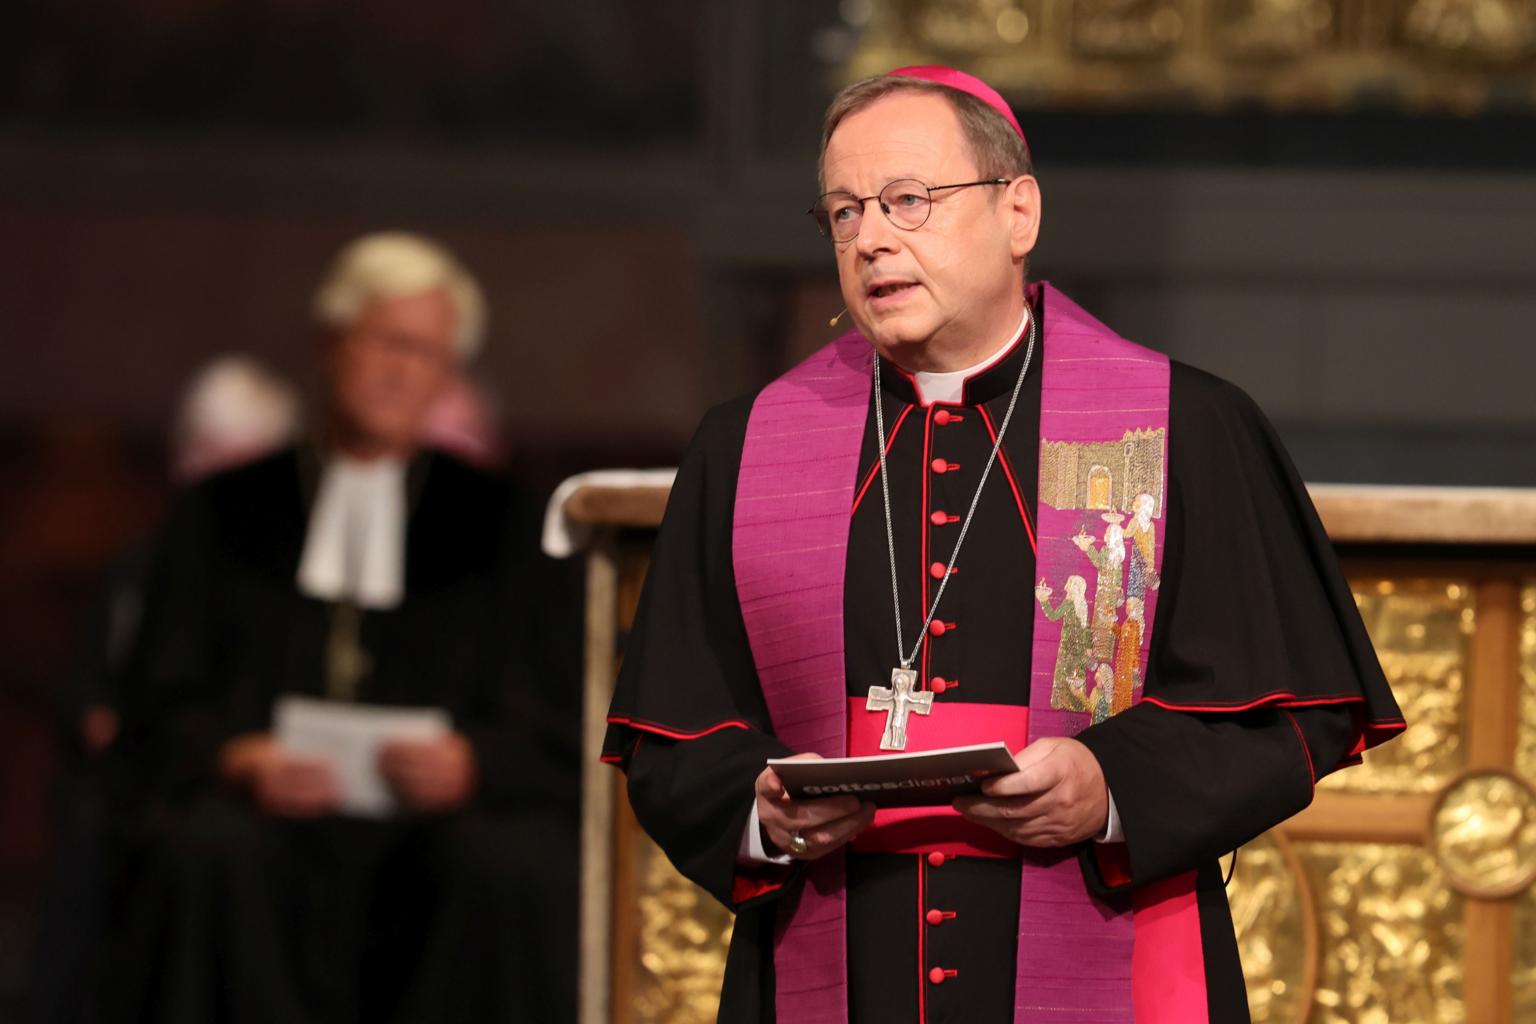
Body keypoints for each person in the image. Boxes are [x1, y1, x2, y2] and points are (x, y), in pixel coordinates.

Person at [603, 67, 1404, 1023]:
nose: (873, 239)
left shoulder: (1181, 426)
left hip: (1106, 948)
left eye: (909, 200)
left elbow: (1288, 713)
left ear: (1018, 211)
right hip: (838, 957)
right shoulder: (747, 446)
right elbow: (674, 735)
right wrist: (762, 812)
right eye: (845, 213)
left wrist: (1113, 785)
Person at [111, 232, 580, 1024]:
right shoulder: (222, 511)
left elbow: (556, 712)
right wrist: (237, 756)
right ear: (331, 342)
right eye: (388, 343)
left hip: (437, 833)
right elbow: (158, 695)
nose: (405, 371)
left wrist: (473, 763)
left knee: (512, 866)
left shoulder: (503, 522)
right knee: (209, 853)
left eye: (429, 355)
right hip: (267, 825)